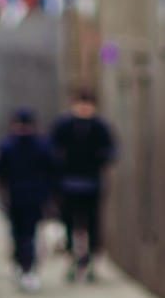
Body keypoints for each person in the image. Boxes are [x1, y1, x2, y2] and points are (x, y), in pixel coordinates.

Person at [49, 87, 116, 282]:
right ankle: (73, 259)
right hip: (69, 183)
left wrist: (99, 159)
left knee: (92, 224)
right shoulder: (65, 124)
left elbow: (110, 149)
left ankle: (91, 262)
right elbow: (52, 148)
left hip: (91, 183)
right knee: (70, 223)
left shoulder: (99, 125)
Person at [0, 108, 53, 292]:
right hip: (34, 196)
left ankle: (22, 264)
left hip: (15, 195)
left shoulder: (6, 145)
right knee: (29, 233)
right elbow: (52, 169)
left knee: (18, 233)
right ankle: (27, 267)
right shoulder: (42, 145)